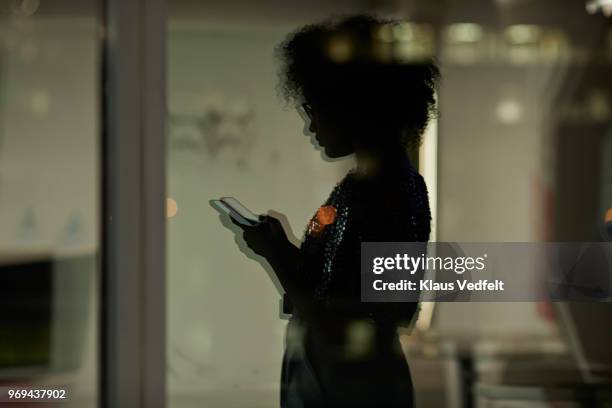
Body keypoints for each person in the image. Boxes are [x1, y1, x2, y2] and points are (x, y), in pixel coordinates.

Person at [223, 15, 438, 408]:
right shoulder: (366, 188)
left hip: (352, 386)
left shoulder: (390, 192)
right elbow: (331, 293)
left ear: (352, 106)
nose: (310, 125)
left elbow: (355, 316)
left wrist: (276, 253)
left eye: (313, 107)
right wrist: (280, 250)